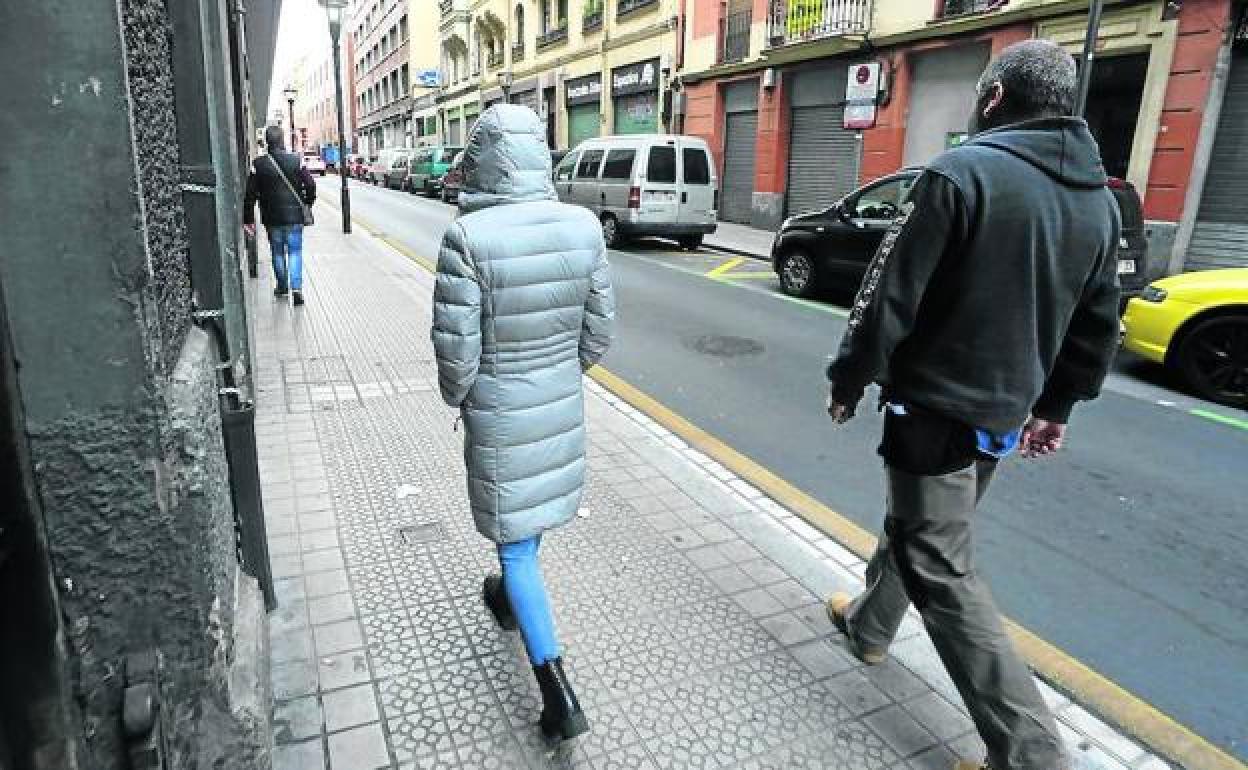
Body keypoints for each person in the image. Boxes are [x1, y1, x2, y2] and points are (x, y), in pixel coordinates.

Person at [823, 40, 1120, 770]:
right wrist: (1058, 406)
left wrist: (850, 376)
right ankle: (870, 625)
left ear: (994, 99)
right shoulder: (1099, 200)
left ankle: (1031, 754)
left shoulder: (959, 175)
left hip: (935, 407)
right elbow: (1098, 320)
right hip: (1005, 412)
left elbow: (885, 297)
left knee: (939, 561)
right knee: (924, 526)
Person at [430, 104, 614, 743]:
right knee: (525, 518)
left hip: (499, 405)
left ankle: (558, 694)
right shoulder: (583, 227)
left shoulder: (467, 238)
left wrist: (461, 397)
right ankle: (510, 596)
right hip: (557, 398)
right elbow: (599, 334)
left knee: (513, 537)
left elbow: (457, 353)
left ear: (480, 160)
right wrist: (558, 372)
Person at [244, 125, 316, 306]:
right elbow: (310, 184)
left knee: (277, 252)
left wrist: (248, 218)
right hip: (295, 217)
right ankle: (297, 289)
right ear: (282, 139)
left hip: (272, 218)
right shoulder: (296, 160)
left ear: (267, 141)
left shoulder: (258, 164)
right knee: (295, 251)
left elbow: (250, 194)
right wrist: (307, 203)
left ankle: (282, 286)